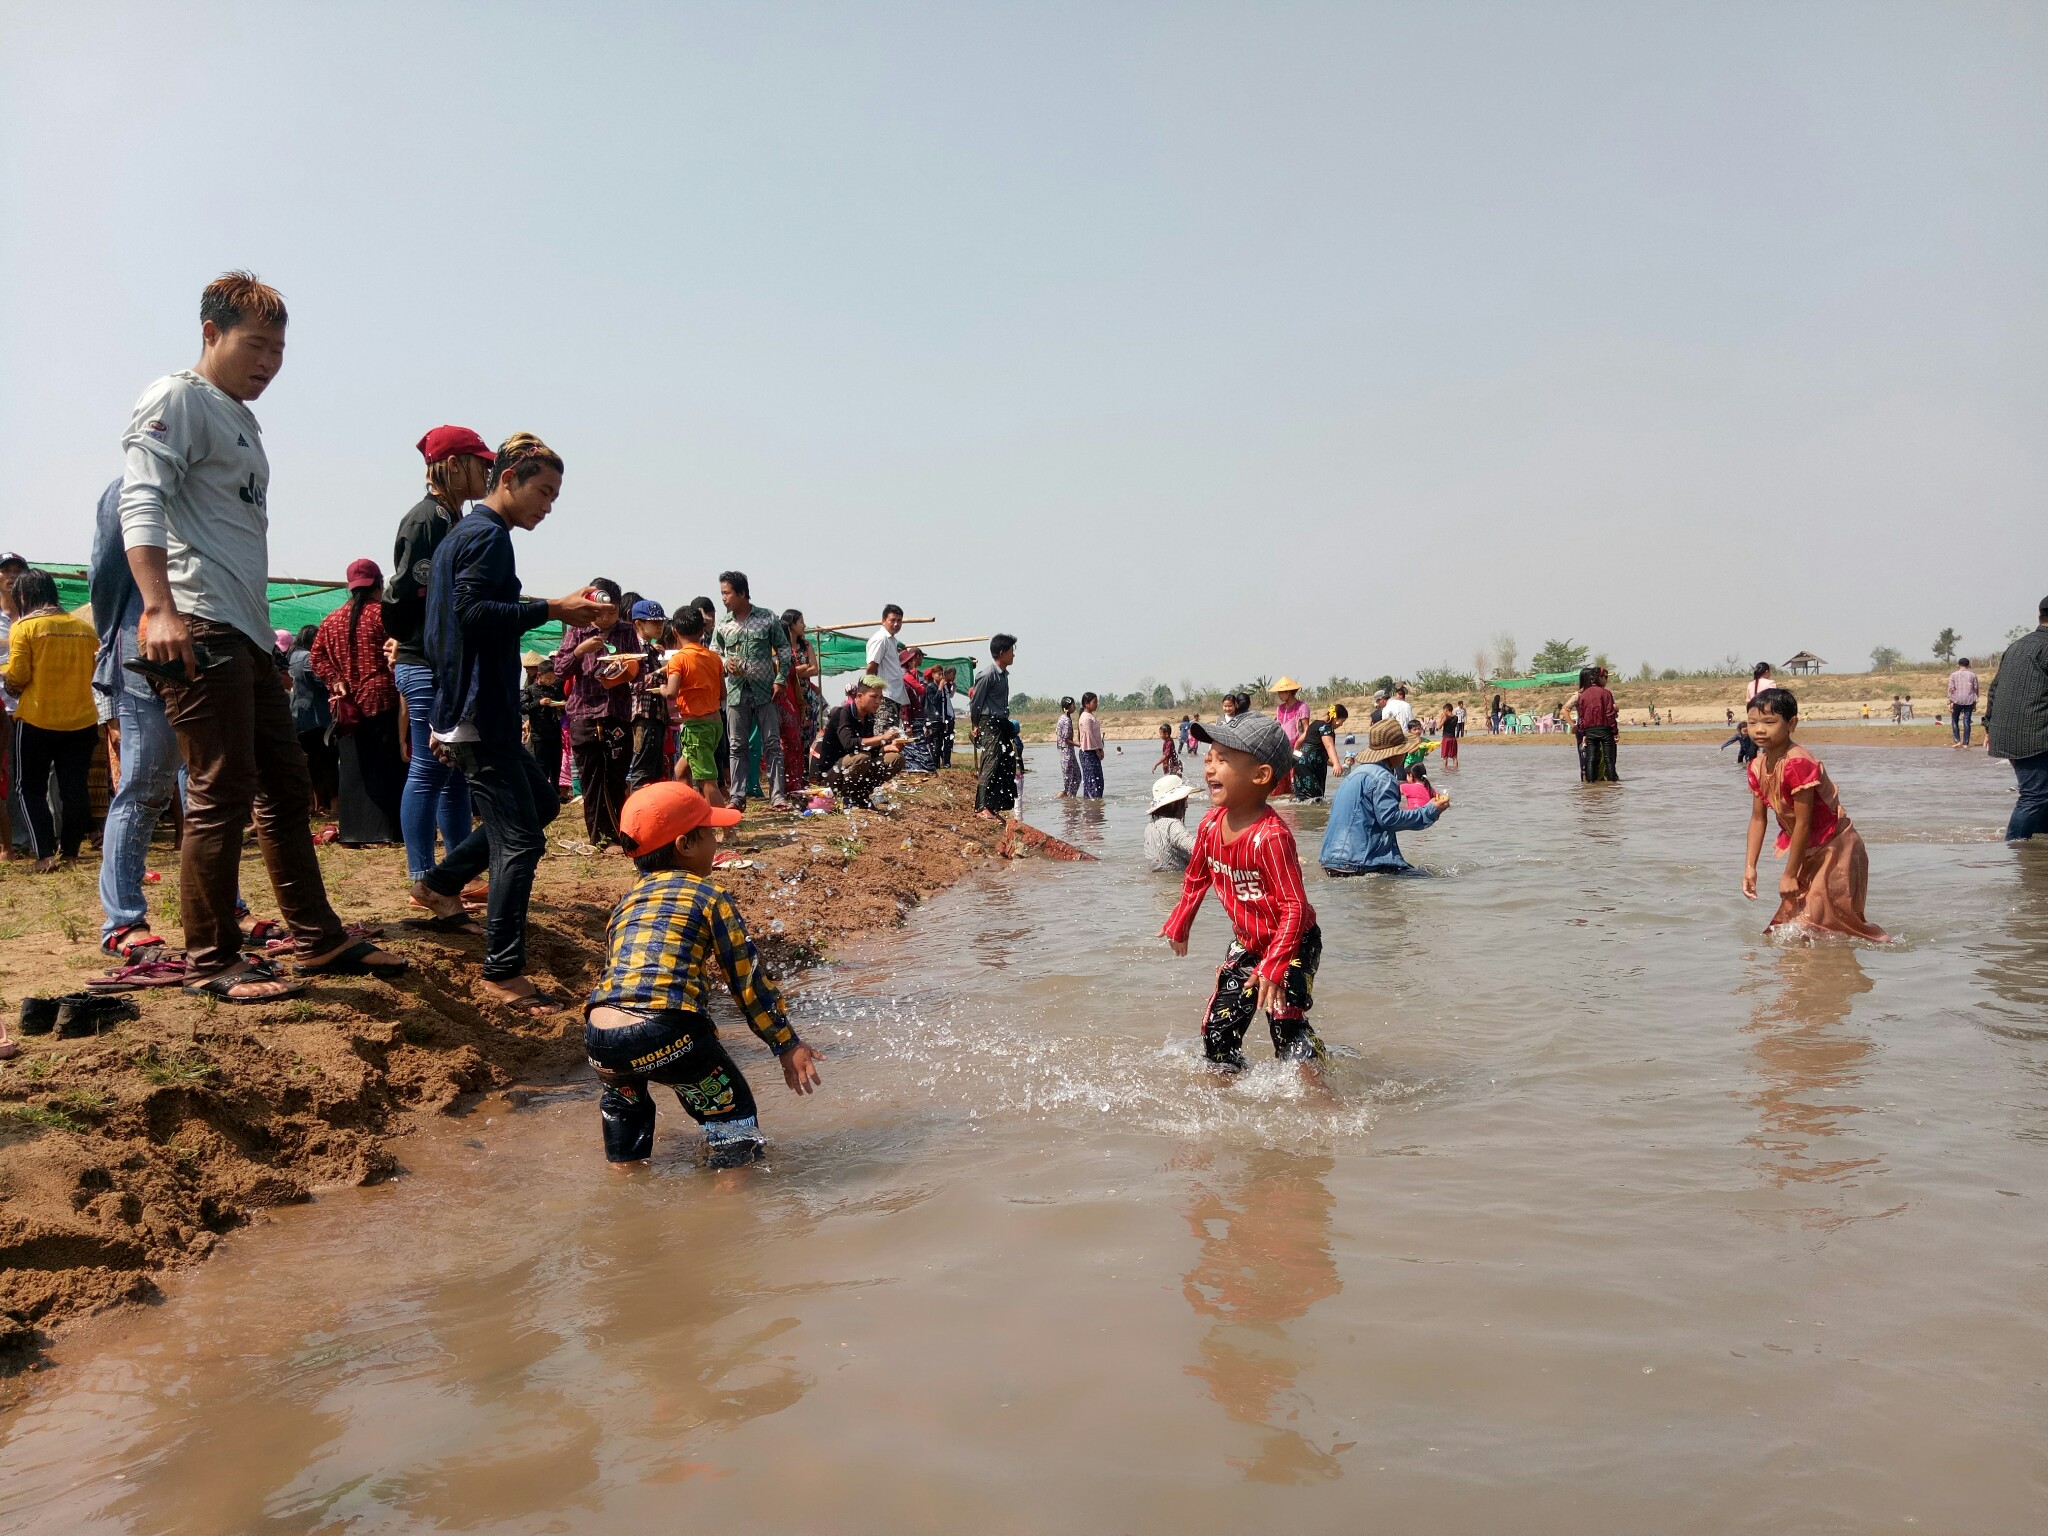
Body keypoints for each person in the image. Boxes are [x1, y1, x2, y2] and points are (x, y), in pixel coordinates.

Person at [118, 271, 406, 1000]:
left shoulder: (241, 420)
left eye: (279, 350)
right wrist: (158, 608)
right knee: (219, 790)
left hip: (243, 632)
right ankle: (212, 959)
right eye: (256, 346)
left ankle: (317, 938)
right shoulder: (178, 397)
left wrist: (261, 646)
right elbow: (140, 499)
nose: (270, 363)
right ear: (211, 333)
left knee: (286, 785)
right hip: (196, 621)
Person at [406, 432, 608, 1010]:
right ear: (509, 479)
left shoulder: (469, 533)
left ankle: (439, 883)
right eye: (543, 492)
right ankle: (502, 971)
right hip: (479, 710)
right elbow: (471, 613)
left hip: (477, 705)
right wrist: (553, 608)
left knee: (541, 803)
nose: (548, 506)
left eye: (555, 497)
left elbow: (455, 618)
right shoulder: (487, 536)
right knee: (519, 841)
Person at [583, 781, 822, 1168]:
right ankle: (733, 1193)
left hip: (600, 1036)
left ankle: (624, 1177)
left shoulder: (626, 904)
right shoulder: (709, 896)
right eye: (710, 832)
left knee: (624, 1107)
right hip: (665, 1028)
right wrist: (786, 1043)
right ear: (685, 845)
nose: (716, 840)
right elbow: (746, 983)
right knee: (732, 1119)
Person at [1161, 713, 1323, 1074]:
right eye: (1209, 758)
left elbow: (1295, 907)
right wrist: (1180, 920)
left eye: (1222, 760)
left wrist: (1275, 965)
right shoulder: (1209, 825)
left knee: (1285, 1021)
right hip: (1248, 942)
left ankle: (1316, 1085)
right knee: (1218, 1032)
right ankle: (1228, 1086)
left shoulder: (1271, 837)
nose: (1209, 768)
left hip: (1293, 942)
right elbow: (1196, 876)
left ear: (1260, 776)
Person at [384, 426, 492, 885]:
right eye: (480, 463)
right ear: (452, 466)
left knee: (452, 771)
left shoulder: (452, 519)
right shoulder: (426, 521)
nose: (487, 472)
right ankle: (423, 876)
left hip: (442, 662)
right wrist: (409, 637)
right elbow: (405, 594)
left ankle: (455, 874)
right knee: (430, 769)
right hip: (423, 662)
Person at [1742, 687, 1888, 941]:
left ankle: (1883, 946)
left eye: (1769, 722)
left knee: (1829, 922)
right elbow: (1758, 818)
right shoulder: (1757, 766)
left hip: (1836, 847)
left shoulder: (1798, 763)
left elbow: (1803, 822)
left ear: (1792, 724)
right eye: (1753, 723)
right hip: (1807, 849)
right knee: (1798, 921)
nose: (1760, 730)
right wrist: (1750, 867)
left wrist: (1789, 874)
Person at [3, 568, 100, 871]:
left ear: (23, 596)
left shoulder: (24, 627)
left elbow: (19, 675)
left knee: (28, 787)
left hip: (37, 719)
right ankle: (70, 854)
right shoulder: (85, 629)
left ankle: (45, 855)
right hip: (82, 721)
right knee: (75, 789)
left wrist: (9, 684)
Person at [310, 559, 403, 846]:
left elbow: (316, 656)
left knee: (352, 767)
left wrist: (335, 679)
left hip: (346, 705)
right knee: (386, 765)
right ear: (379, 584)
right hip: (382, 698)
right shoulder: (384, 614)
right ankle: (386, 830)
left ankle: (352, 830)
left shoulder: (331, 620)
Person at [1319, 716, 1450, 875]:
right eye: (1403, 750)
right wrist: (1431, 810)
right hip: (1358, 862)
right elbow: (1390, 820)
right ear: (1394, 753)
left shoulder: (1355, 774)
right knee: (1436, 877)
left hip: (1331, 859)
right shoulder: (1384, 778)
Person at [711, 571, 793, 812]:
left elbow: (784, 649)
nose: (723, 598)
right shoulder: (723, 624)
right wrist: (725, 663)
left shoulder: (767, 617)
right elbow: (714, 652)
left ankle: (777, 797)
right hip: (736, 692)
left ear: (742, 593)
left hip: (766, 692)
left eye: (727, 593)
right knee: (737, 746)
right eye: (722, 593)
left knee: (772, 744)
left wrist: (780, 679)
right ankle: (737, 797)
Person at [1986, 597, 2048, 842]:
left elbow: (1994, 688)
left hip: (2009, 731)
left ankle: (2035, 852)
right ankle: (2013, 848)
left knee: (2040, 794)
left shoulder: (2017, 646)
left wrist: (1988, 727)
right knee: (2034, 795)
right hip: (2036, 732)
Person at [659, 605, 727, 805]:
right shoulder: (714, 658)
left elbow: (671, 692)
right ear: (702, 630)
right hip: (714, 724)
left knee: (707, 781)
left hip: (697, 727)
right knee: (681, 771)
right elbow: (723, 693)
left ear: (674, 631)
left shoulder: (678, 659)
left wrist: (662, 689)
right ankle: (693, 813)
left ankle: (725, 823)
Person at [817, 676, 905, 807]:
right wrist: (882, 738)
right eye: (873, 697)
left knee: (895, 758)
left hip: (853, 767)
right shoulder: (843, 713)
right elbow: (850, 744)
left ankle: (861, 795)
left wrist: (889, 747)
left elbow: (870, 748)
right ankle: (847, 798)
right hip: (831, 775)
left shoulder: (869, 717)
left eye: (880, 698)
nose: (878, 702)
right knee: (862, 757)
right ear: (860, 696)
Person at [287, 623, 335, 815]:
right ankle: (332, 805)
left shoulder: (292, 657)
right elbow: (324, 681)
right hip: (316, 717)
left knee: (310, 764)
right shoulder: (308, 658)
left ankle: (315, 805)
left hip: (299, 715)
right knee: (326, 761)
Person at [970, 634, 1019, 818]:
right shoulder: (987, 675)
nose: (1013, 655)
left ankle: (994, 805)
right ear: (1001, 652)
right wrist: (975, 725)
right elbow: (976, 703)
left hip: (1001, 722)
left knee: (1005, 762)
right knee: (991, 761)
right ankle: (981, 807)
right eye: (1011, 651)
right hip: (989, 722)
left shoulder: (1003, 675)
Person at [626, 599, 670, 793]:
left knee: (655, 771)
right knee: (642, 771)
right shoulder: (633, 650)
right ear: (639, 624)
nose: (660, 626)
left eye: (661, 621)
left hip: (656, 715)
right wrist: (662, 672)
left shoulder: (651, 650)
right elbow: (630, 684)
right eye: (655, 622)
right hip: (642, 716)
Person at [778, 608, 822, 791]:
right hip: (789, 695)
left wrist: (795, 671)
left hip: (806, 698)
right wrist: (801, 668)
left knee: (806, 738)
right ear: (791, 625)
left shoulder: (806, 645)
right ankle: (789, 780)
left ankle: (803, 779)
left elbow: (815, 669)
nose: (804, 625)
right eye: (801, 622)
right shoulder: (781, 647)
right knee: (790, 738)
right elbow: (788, 671)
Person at [520, 652, 565, 793]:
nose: (551, 681)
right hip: (539, 733)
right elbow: (522, 707)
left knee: (556, 764)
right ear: (539, 675)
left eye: (553, 678)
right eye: (548, 678)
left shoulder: (554, 689)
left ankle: (556, 792)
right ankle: (542, 792)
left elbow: (563, 703)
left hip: (554, 730)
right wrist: (539, 703)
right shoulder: (530, 690)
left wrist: (561, 705)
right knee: (541, 764)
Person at [866, 604, 908, 731]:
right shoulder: (881, 639)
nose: (896, 624)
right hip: (884, 696)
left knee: (892, 735)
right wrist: (875, 693)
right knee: (884, 734)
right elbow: (871, 668)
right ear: (883, 620)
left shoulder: (891, 640)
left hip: (892, 696)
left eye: (899, 621)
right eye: (892, 620)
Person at [1290, 704, 1345, 801]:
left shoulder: (1314, 724)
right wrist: (1336, 763)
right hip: (1312, 768)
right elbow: (1329, 746)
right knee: (1315, 799)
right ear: (1335, 718)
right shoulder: (1326, 727)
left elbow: (1298, 743)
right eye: (1342, 721)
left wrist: (1295, 761)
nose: (1341, 724)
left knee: (1302, 799)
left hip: (1300, 764)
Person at [1575, 666, 1620, 782]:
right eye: (1605, 677)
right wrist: (1615, 731)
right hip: (1605, 729)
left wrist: (1584, 733)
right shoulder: (1606, 693)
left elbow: (1582, 716)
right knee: (1609, 759)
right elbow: (1609, 714)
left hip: (1590, 730)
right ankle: (1612, 784)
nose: (1606, 680)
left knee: (1591, 758)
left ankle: (1590, 784)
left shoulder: (1583, 695)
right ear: (1599, 678)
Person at [1145, 773, 1197, 871]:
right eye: (1184, 801)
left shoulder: (1150, 826)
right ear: (1174, 803)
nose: (1186, 806)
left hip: (1159, 878)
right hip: (1179, 876)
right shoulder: (1172, 825)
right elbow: (1198, 849)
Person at [1075, 691, 1105, 798]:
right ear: (1086, 704)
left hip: (1093, 751)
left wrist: (1101, 748)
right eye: (1094, 702)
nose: (1096, 704)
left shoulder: (1090, 716)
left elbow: (1095, 736)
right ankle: (1091, 803)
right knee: (1092, 781)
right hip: (1088, 753)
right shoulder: (1086, 718)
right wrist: (1097, 751)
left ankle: (1096, 804)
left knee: (1098, 780)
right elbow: (1089, 736)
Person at [1948, 657, 1980, 749]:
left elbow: (1951, 689)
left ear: (1959, 664)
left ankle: (1957, 741)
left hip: (1957, 700)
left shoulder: (1953, 675)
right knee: (1967, 721)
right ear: (1968, 665)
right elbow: (1976, 688)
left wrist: (1949, 701)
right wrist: (1975, 701)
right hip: (1969, 700)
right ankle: (1965, 743)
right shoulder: (1972, 675)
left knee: (1954, 720)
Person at [1271, 678, 1310, 749]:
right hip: (1282, 746)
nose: (1279, 695)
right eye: (1278, 693)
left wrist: (1298, 744)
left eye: (1281, 692)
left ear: (1288, 692)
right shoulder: (1279, 708)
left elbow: (1306, 730)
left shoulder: (1302, 707)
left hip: (1297, 747)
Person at [1055, 696, 1079, 797]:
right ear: (1068, 706)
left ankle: (1066, 800)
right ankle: (1070, 801)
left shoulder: (1063, 718)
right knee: (1074, 779)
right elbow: (1066, 739)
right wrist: (1079, 744)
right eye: (1073, 704)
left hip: (1065, 753)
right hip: (1067, 753)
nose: (1075, 706)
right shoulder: (1066, 720)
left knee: (1070, 780)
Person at [1437, 701, 1461, 770]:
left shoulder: (1445, 718)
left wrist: (1441, 718)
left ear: (1446, 710)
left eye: (1444, 710)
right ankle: (1455, 770)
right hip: (1453, 738)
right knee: (1454, 757)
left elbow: (1438, 727)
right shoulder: (1456, 717)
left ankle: (1445, 771)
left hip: (1446, 738)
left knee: (1445, 757)